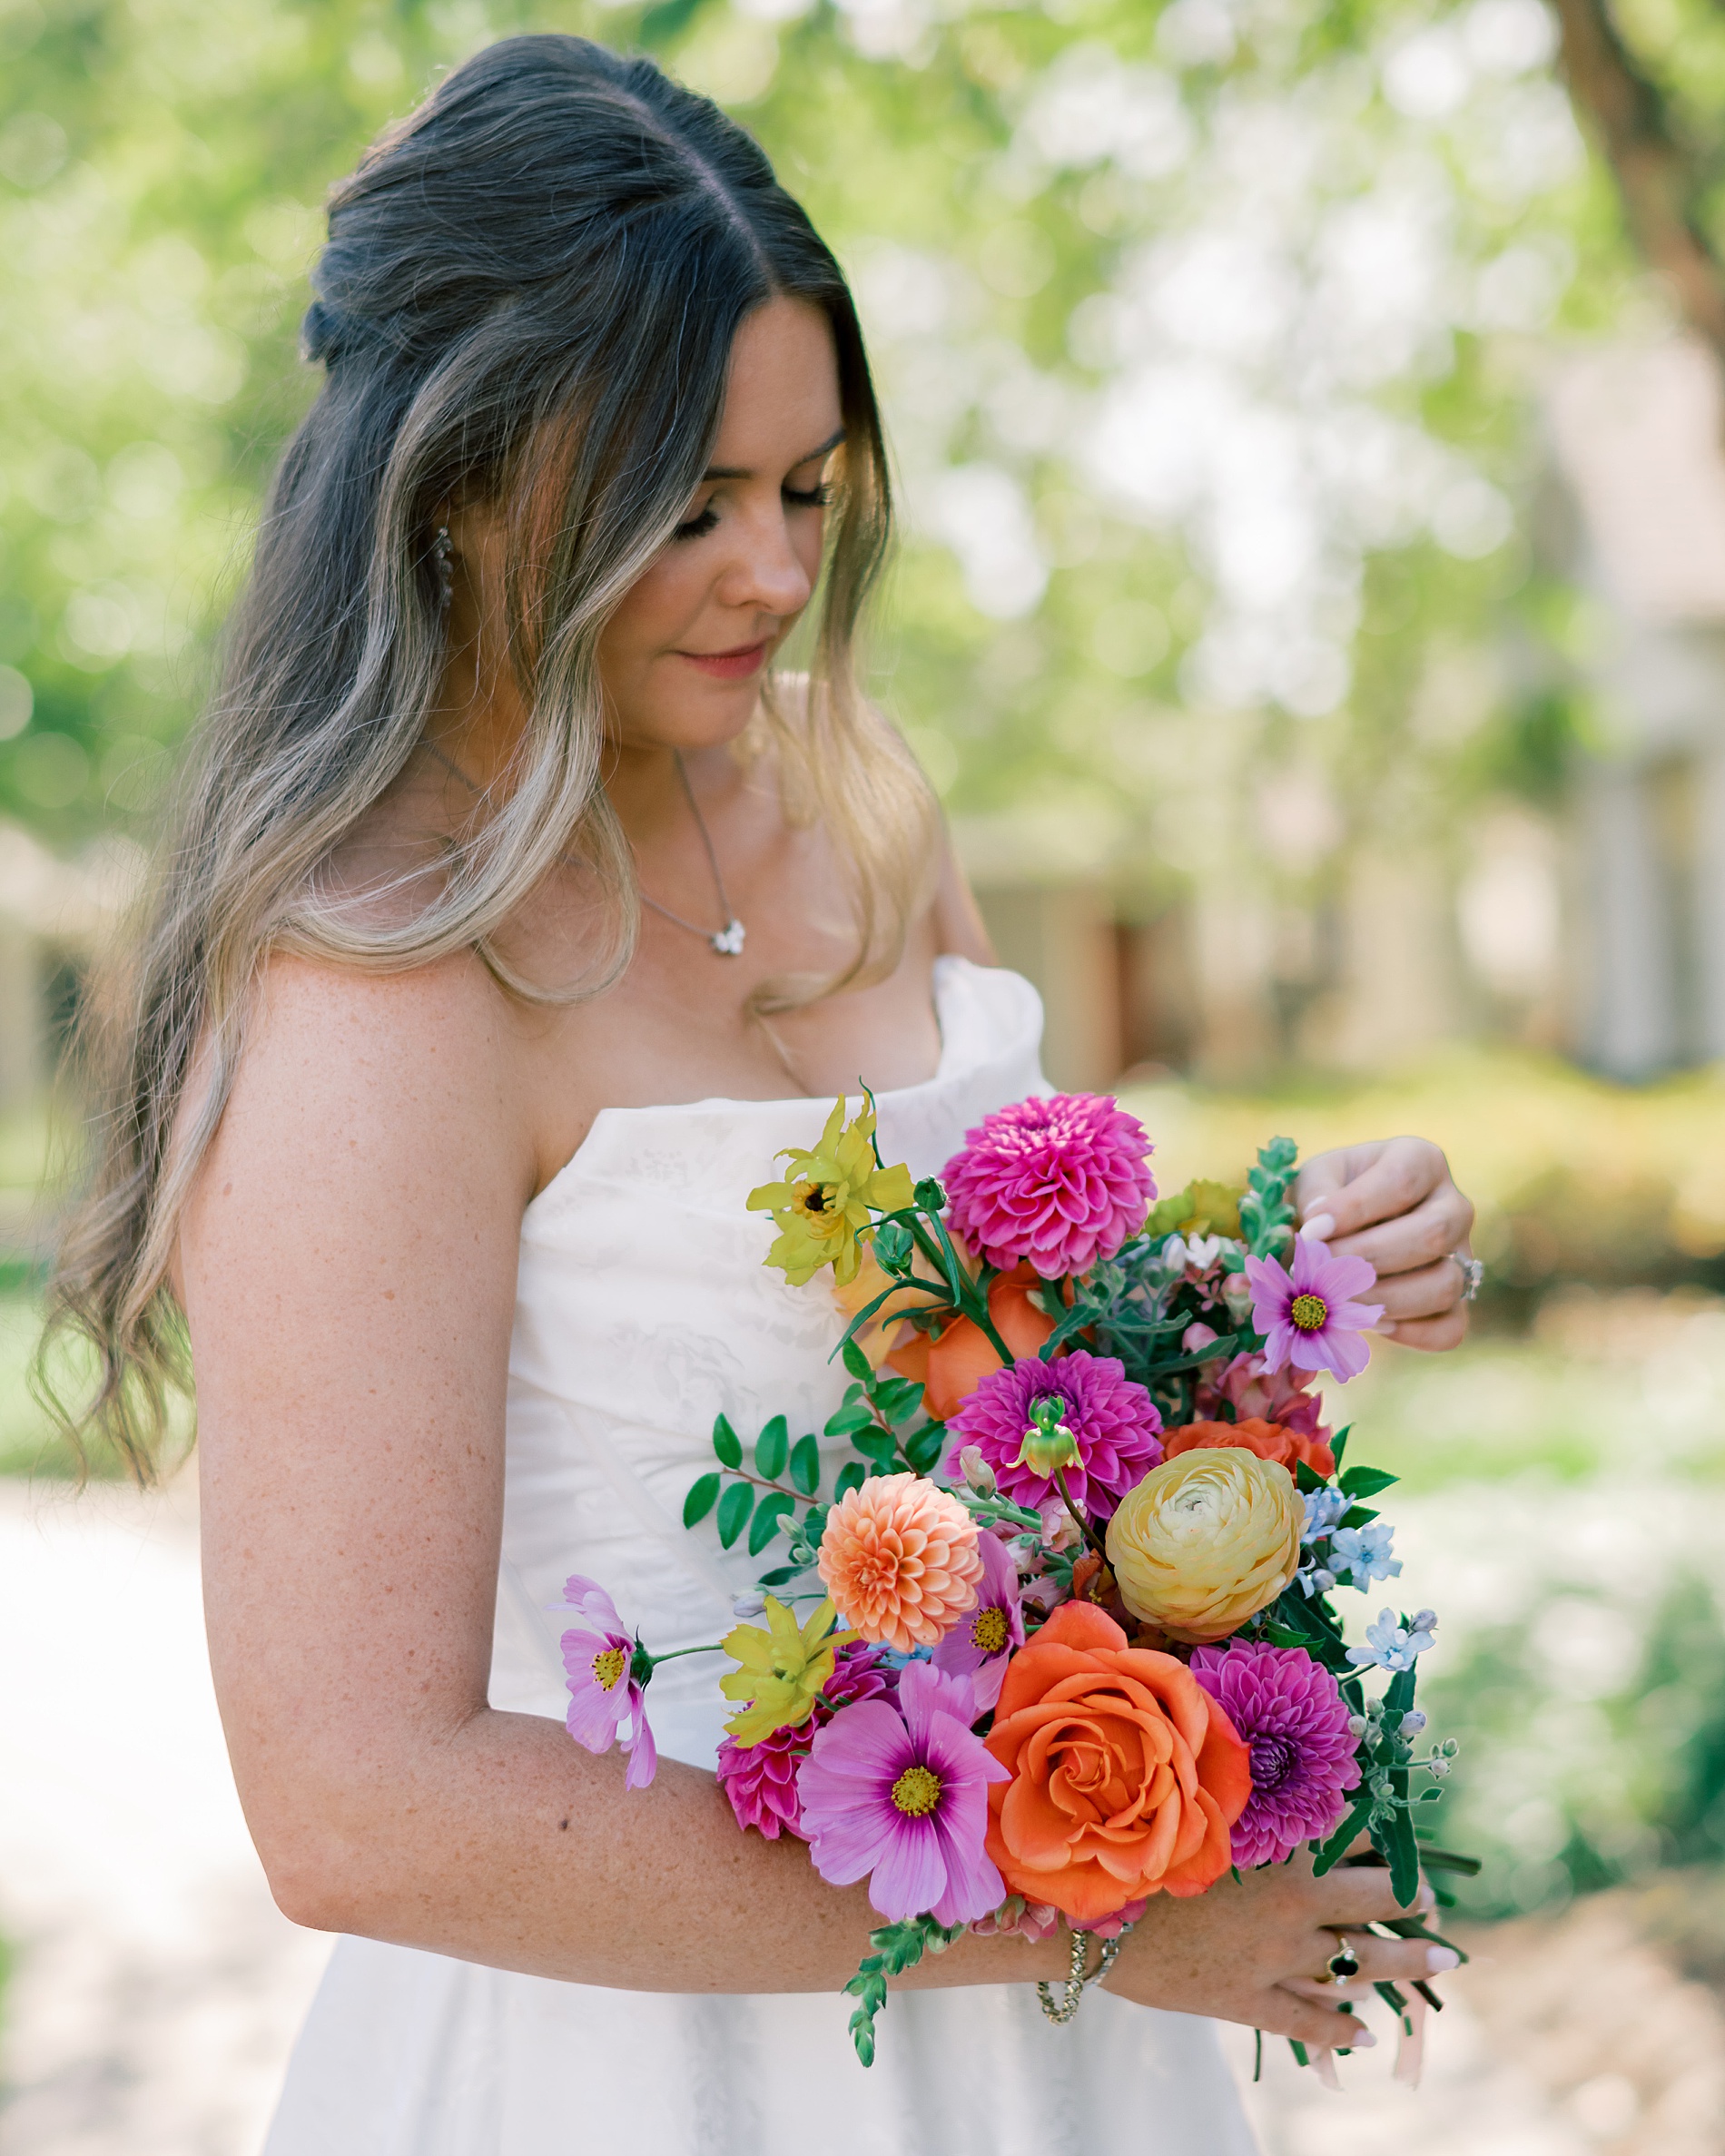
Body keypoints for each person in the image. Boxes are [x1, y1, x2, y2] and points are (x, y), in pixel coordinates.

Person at [45, 36, 1478, 2155]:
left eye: (804, 489)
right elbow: (358, 1808)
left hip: (1073, 2053)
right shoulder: (378, 993)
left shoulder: (858, 803)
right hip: (639, 2072)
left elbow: (1002, 1388)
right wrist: (1075, 1925)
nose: (775, 573)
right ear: (454, 483)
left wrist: (1280, 1293)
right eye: (683, 507)